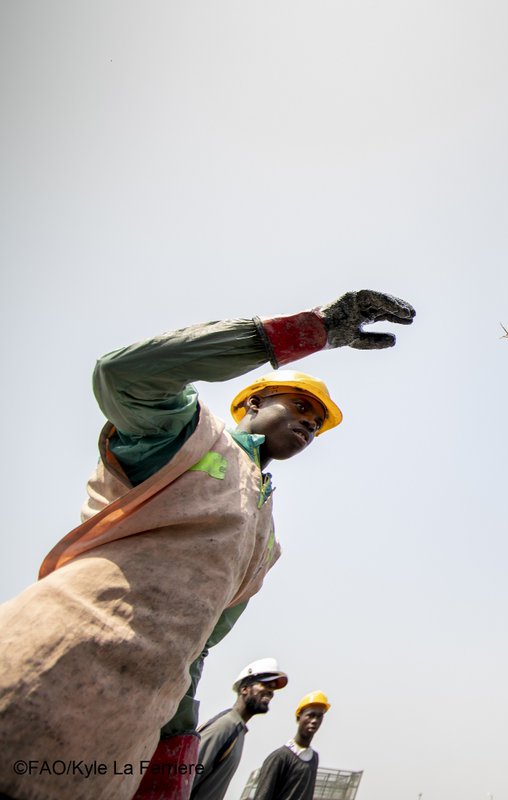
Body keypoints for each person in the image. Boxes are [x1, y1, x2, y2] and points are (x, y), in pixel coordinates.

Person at [0, 290, 414, 800]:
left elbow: (199, 643)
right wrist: (312, 330)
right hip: (43, 668)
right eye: (301, 406)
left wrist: (175, 743)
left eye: (317, 423)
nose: (310, 422)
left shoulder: (266, 539)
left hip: (121, 735)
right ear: (255, 402)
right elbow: (122, 375)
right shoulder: (189, 438)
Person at [190, 658, 289, 800]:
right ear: (244, 689)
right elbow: (186, 777)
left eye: (272, 689)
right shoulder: (225, 726)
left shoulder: (237, 729)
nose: (270, 692)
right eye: (265, 685)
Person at [251, 691, 328, 800]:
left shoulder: (314, 758)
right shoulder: (279, 757)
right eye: (310, 715)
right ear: (298, 717)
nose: (314, 720)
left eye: (319, 716)